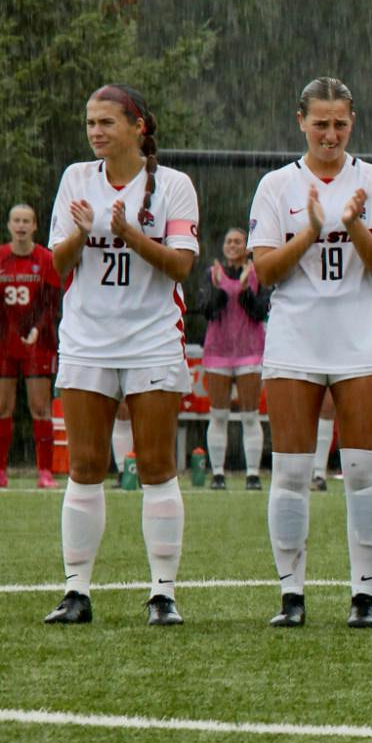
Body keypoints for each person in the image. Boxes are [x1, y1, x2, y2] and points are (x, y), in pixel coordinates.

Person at [249, 77, 372, 629]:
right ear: (301, 122)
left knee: (363, 471)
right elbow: (265, 271)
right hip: (296, 340)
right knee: (291, 472)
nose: (331, 134)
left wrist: (354, 224)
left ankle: (363, 596)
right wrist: (311, 231)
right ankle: (291, 595)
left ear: (352, 122)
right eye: (321, 123)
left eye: (340, 123)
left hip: (361, 342)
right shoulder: (276, 186)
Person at [43, 85, 200, 626]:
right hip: (87, 337)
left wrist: (129, 232)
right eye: (90, 123)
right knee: (86, 467)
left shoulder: (174, 186)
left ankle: (162, 594)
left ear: (137, 127)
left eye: (107, 122)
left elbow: (180, 267)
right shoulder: (75, 179)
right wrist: (83, 235)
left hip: (152, 337)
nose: (96, 132)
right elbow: (56, 265)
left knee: (156, 466)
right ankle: (76, 592)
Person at [200, 227, 268, 491]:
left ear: (246, 246)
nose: (233, 245)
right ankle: (217, 474)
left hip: (249, 352)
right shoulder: (211, 274)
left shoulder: (258, 273)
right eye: (229, 241)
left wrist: (243, 291)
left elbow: (261, 311)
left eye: (238, 241)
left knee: (250, 416)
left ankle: (252, 475)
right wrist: (217, 289)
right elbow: (207, 310)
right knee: (218, 415)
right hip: (218, 353)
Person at [2, 203, 62, 489]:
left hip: (39, 343)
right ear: (9, 225)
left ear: (36, 225)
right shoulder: (1, 257)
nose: (21, 225)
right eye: (17, 220)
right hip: (4, 343)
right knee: (3, 407)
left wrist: (38, 329)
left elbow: (52, 302)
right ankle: (1, 471)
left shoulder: (46, 259)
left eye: (27, 220)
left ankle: (45, 472)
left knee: (41, 407)